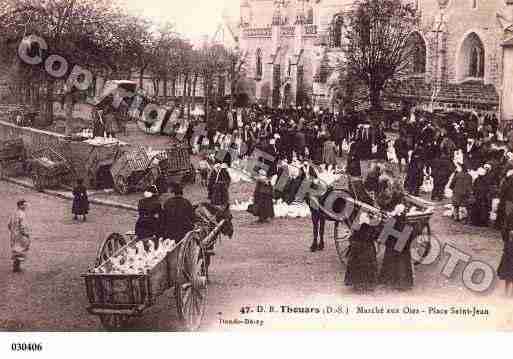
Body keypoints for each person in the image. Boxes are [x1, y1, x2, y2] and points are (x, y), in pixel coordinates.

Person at [498, 169, 513, 296]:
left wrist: (506, 239)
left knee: (509, 268)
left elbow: (505, 227)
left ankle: (506, 291)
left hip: (510, 243)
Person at [8, 200, 31, 273]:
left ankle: (16, 267)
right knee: (20, 250)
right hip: (20, 235)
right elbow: (23, 226)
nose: (25, 207)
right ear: (20, 206)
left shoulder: (13, 213)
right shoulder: (22, 214)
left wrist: (12, 231)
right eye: (24, 205)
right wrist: (26, 234)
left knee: (16, 249)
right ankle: (17, 267)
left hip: (14, 234)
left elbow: (9, 224)